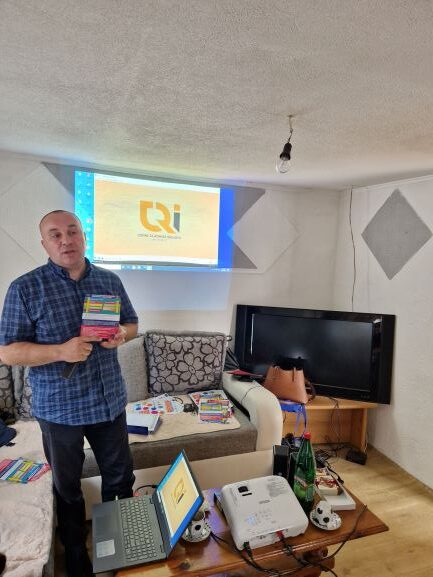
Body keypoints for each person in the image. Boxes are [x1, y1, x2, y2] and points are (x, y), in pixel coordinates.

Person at [0, 210, 138, 577]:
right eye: (56, 235)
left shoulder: (109, 280)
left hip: (109, 403)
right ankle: (75, 552)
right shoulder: (25, 288)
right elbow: (8, 352)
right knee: (67, 487)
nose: (66, 240)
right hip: (60, 411)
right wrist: (61, 350)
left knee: (120, 479)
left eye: (73, 232)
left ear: (84, 237)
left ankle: (119, 549)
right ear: (44, 244)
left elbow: (132, 323)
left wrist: (122, 335)